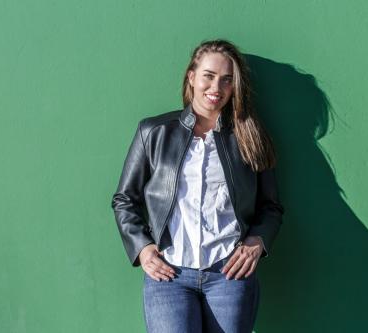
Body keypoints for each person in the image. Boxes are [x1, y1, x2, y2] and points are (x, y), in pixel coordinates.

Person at [111, 39, 284, 333]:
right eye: (208, 75)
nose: (216, 87)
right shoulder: (153, 132)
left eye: (227, 80)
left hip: (228, 274)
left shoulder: (249, 136)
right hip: (169, 276)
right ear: (192, 77)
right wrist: (143, 248)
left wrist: (257, 241)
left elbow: (271, 207)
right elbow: (124, 199)